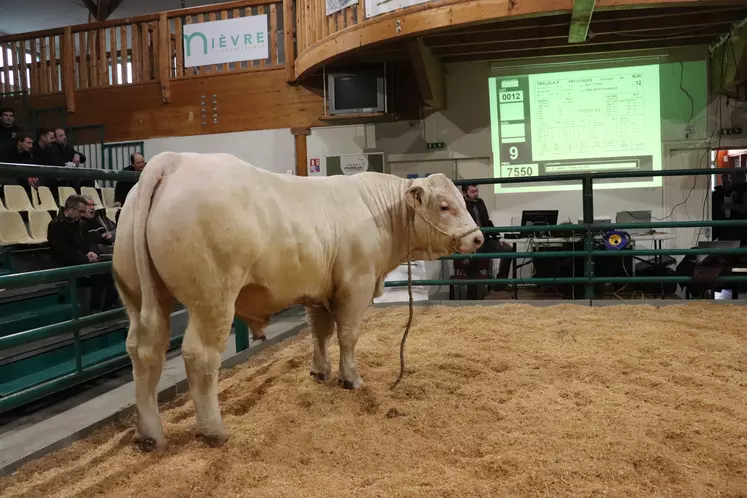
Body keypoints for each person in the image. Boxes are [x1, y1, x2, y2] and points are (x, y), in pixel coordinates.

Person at [47, 194, 119, 311]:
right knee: (100, 274)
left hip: (79, 260)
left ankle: (107, 306)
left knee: (110, 271)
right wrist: (86, 259)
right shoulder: (56, 225)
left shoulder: (76, 223)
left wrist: (89, 252)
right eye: (80, 212)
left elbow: (81, 243)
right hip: (65, 264)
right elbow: (63, 251)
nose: (81, 215)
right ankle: (95, 309)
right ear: (70, 209)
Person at [461, 183, 515, 290]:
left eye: (477, 191)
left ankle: (500, 284)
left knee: (508, 249)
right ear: (464, 193)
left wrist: (498, 238)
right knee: (470, 262)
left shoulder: (480, 202)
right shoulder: (460, 205)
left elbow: (487, 221)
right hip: (472, 243)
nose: (476, 194)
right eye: (472, 192)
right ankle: (472, 295)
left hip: (485, 240)